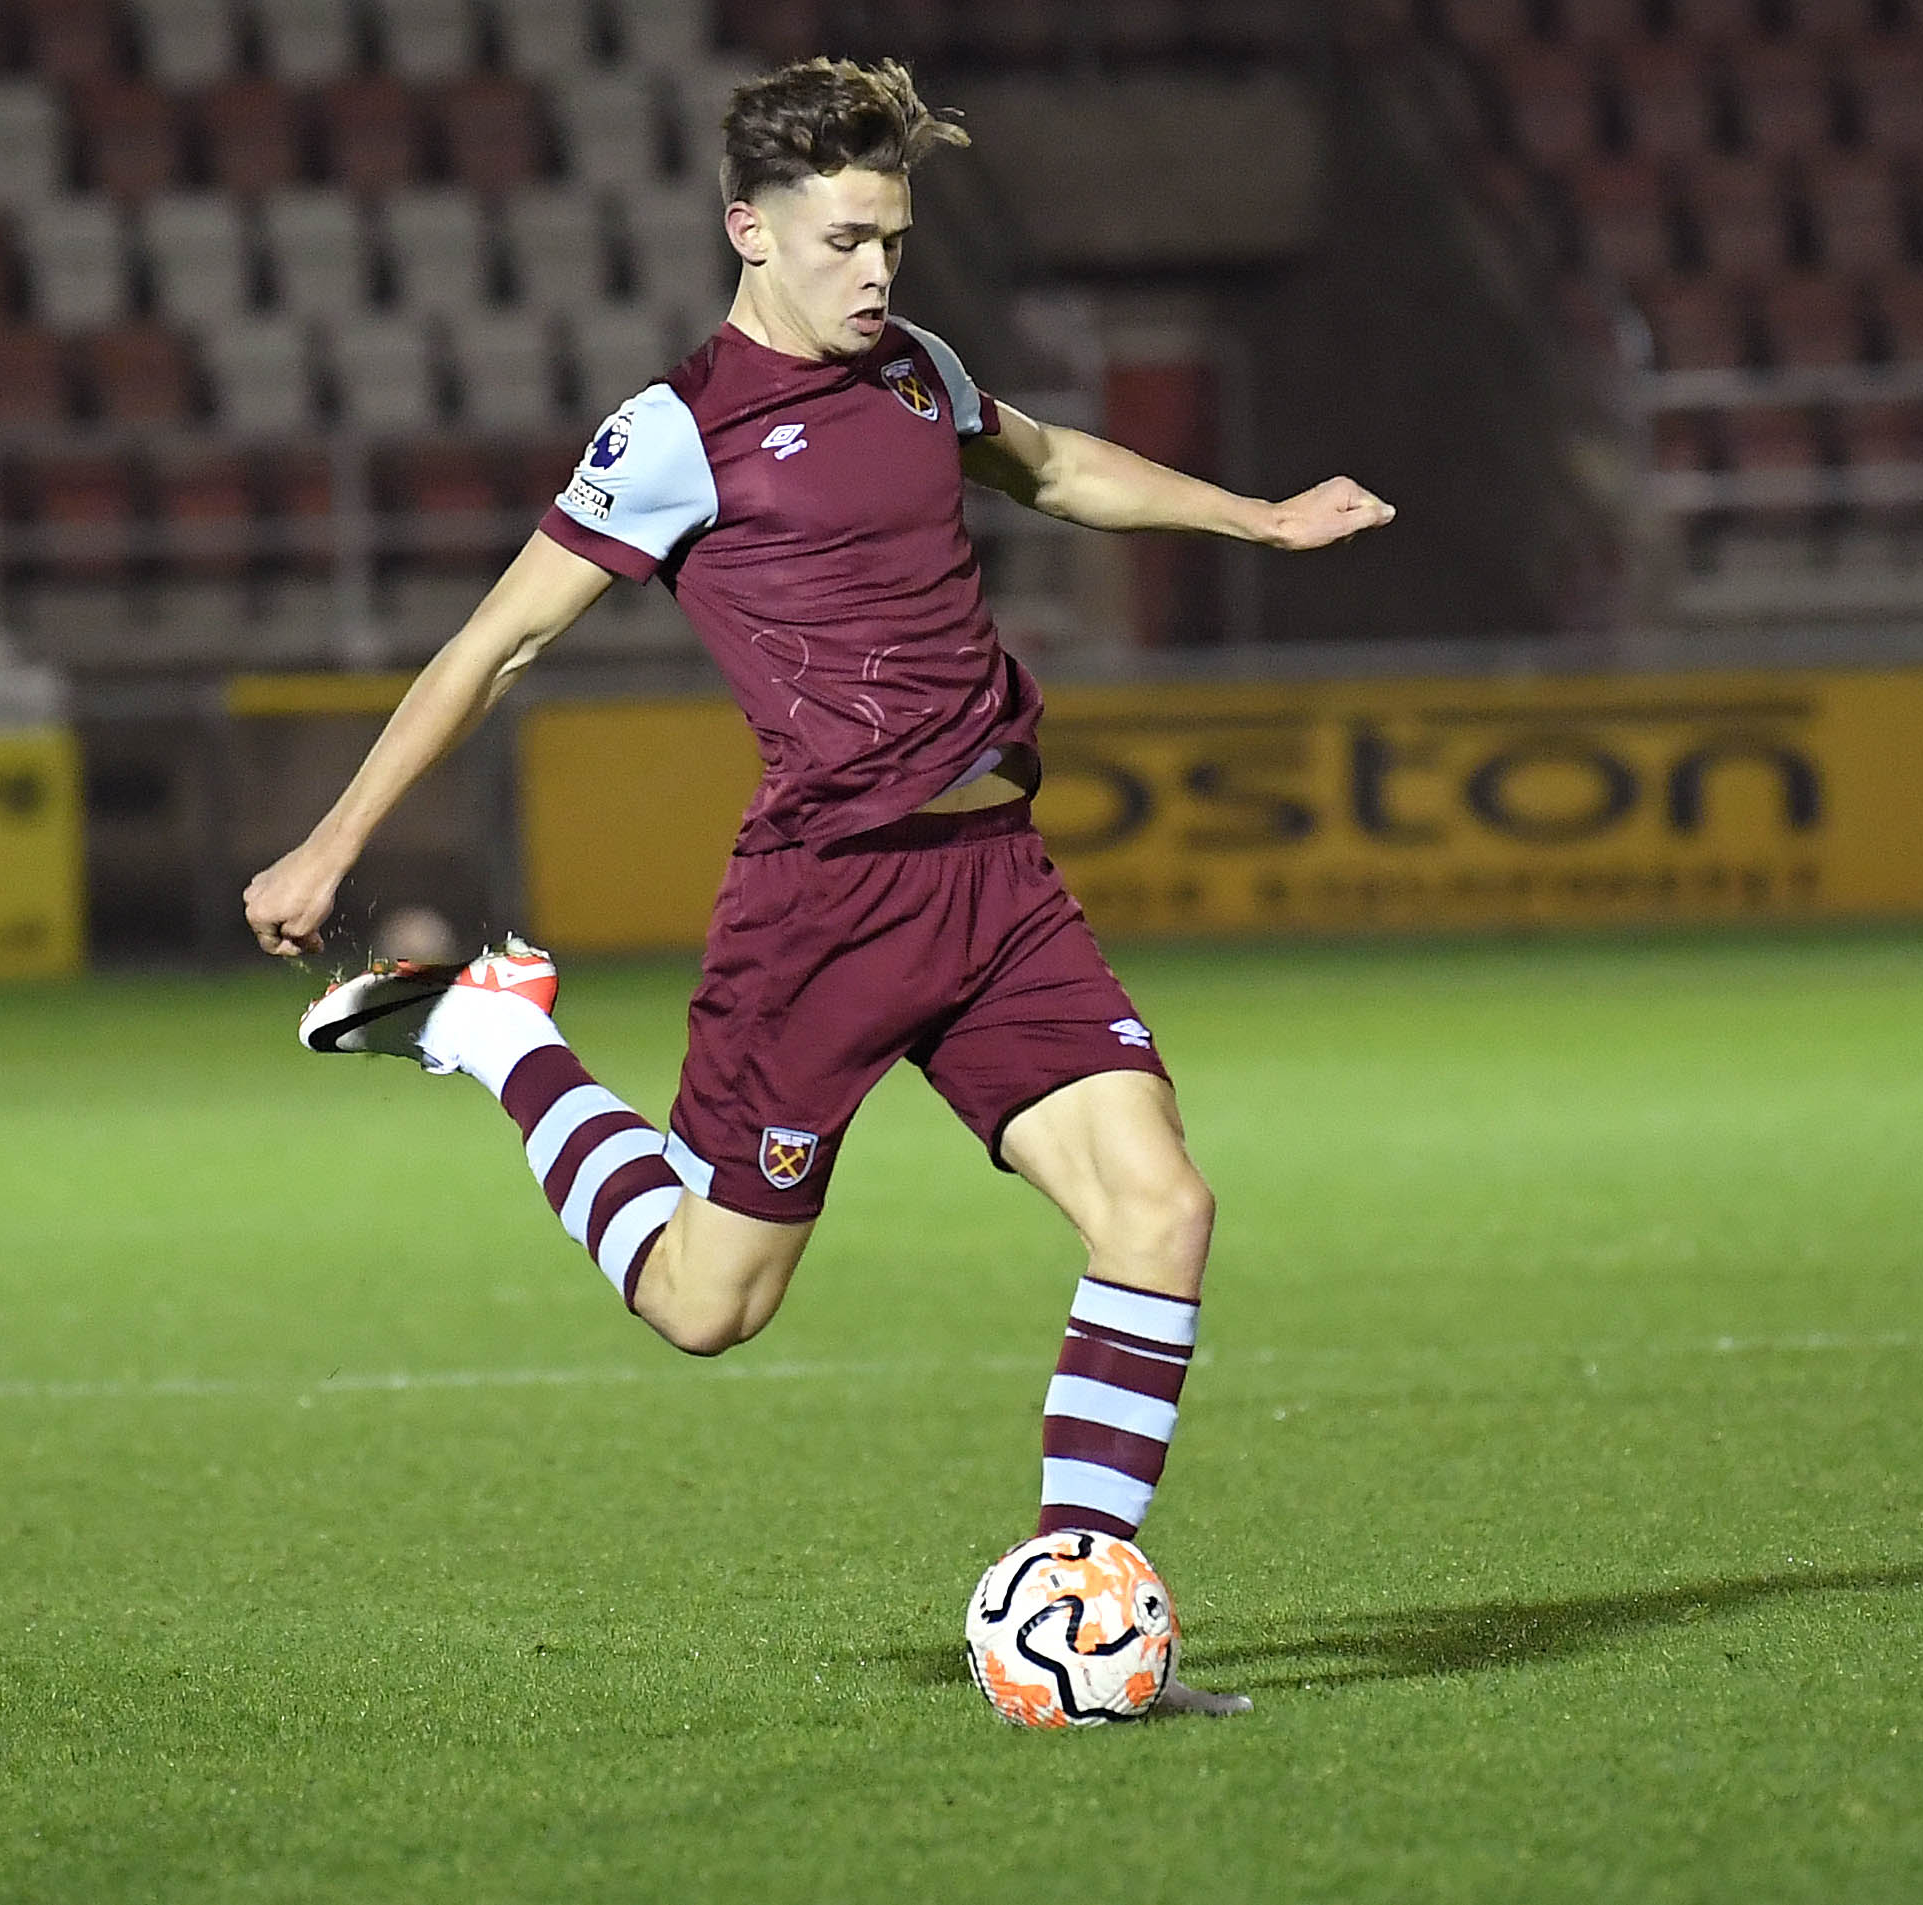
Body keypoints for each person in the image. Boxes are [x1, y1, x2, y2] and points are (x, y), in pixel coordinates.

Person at [246, 58, 1392, 1715]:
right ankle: (499, 1038)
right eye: (847, 239)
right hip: (827, 905)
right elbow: (492, 643)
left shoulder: (920, 372)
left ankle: (1081, 1606)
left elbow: (1056, 461)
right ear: (749, 229)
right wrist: (334, 842)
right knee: (709, 1306)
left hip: (995, 883)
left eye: (895, 241)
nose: (876, 274)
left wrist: (1261, 521)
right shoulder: (673, 432)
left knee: (1164, 1209)